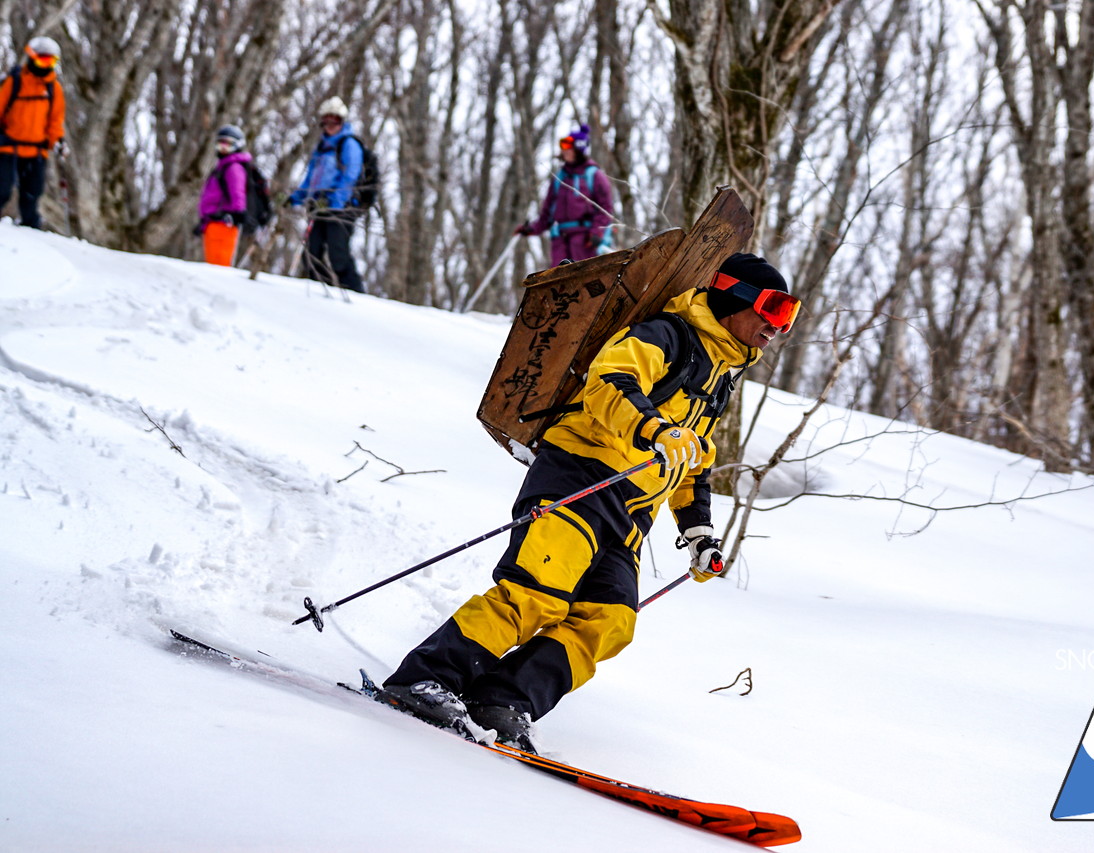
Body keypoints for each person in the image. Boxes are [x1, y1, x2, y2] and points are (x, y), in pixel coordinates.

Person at [383, 252, 801, 752]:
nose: (779, 326)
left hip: (628, 515)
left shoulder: (720, 376)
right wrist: (655, 428)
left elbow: (694, 460)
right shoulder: (669, 336)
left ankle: (502, 701)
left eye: (789, 316)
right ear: (736, 298)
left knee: (609, 620)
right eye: (774, 309)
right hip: (578, 478)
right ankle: (425, 678)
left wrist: (698, 532)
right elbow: (608, 381)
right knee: (536, 594)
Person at [287, 96, 365, 293]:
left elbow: (351, 176)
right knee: (311, 253)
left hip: (340, 208)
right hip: (318, 206)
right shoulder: (321, 148)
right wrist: (296, 197)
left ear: (342, 121)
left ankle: (357, 295)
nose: (330, 125)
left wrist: (334, 201)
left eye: (335, 120)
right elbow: (311, 178)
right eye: (326, 120)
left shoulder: (349, 144)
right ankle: (321, 291)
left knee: (338, 255)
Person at [514, 123, 614, 265]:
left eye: (568, 147)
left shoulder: (594, 175)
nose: (564, 151)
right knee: (560, 282)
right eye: (563, 147)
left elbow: (605, 210)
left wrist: (596, 232)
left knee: (583, 278)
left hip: (584, 241)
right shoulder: (559, 178)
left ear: (578, 149)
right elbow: (547, 214)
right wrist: (531, 229)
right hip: (560, 241)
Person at [0, 36, 66, 230]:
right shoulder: (15, 82)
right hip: (7, 148)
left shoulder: (54, 89)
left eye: (51, 61)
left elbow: (55, 121)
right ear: (31, 57)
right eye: (41, 60)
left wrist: (58, 141)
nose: (45, 66)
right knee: (2, 190)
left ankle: (32, 233)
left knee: (32, 194)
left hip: (36, 152)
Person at [195, 125, 252, 266]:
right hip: (212, 223)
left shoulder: (233, 167)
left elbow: (238, 192)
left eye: (227, 144)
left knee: (219, 266)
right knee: (212, 264)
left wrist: (238, 212)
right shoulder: (223, 166)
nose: (223, 148)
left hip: (224, 223)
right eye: (220, 143)